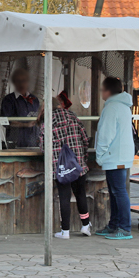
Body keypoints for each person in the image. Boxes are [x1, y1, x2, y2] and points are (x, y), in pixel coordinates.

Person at [38, 95, 92, 239]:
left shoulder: (47, 122)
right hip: (78, 163)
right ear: (60, 105)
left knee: (64, 196)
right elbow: (85, 138)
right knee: (80, 194)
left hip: (61, 166)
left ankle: (65, 231)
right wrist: (82, 157)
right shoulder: (73, 116)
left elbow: (44, 147)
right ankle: (86, 225)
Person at [94, 77, 135, 240]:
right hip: (120, 155)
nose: (101, 93)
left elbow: (106, 134)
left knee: (118, 192)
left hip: (114, 156)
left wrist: (100, 155)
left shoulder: (112, 107)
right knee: (115, 191)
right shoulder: (124, 106)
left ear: (108, 91)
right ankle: (114, 225)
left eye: (102, 89)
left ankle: (124, 227)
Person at [0, 68, 40, 148]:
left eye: (24, 81)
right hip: (15, 143)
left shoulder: (34, 99)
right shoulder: (9, 100)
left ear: (28, 82)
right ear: (14, 83)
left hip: (34, 142)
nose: (21, 84)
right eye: (18, 81)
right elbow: (5, 122)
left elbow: (38, 119)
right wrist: (25, 125)